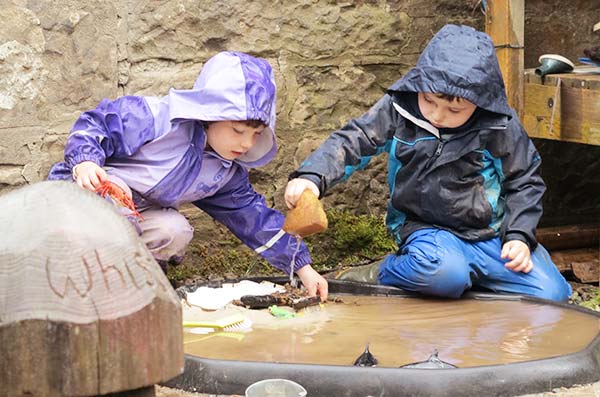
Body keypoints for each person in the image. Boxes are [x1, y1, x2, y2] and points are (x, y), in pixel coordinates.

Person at [285, 24, 571, 302]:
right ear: (419, 86)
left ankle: (469, 277)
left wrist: (519, 236)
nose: (438, 115)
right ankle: (378, 273)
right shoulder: (400, 108)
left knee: (551, 294)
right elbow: (353, 141)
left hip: (491, 237)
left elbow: (525, 180)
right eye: (429, 101)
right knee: (443, 274)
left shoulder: (498, 125)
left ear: (480, 103)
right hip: (427, 230)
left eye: (454, 109)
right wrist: (312, 176)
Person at [48, 51, 328, 300]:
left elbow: (254, 220)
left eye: (255, 135)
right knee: (117, 204)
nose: (246, 144)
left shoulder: (224, 171)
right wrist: (84, 160)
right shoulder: (158, 118)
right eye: (237, 131)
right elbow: (97, 123)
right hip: (86, 193)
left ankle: (140, 293)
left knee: (175, 230)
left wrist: (303, 268)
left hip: (137, 215)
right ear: (210, 114)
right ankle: (83, 292)